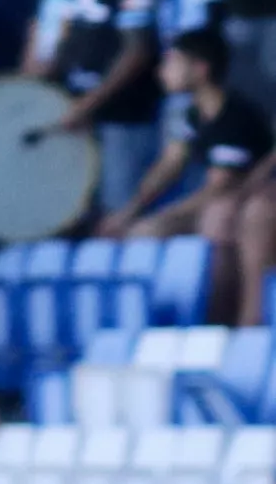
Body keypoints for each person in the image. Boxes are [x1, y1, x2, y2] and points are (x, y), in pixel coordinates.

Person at [28, 0, 167, 221]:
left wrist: (89, 104)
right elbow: (52, 38)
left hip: (122, 113)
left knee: (118, 216)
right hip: (69, 108)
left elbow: (138, 48)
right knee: (67, 215)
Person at [108, 26, 276, 327]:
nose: (162, 72)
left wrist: (166, 215)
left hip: (240, 204)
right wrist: (130, 211)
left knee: (218, 218)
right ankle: (152, 328)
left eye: (172, 62)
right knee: (141, 232)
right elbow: (169, 165)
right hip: (225, 201)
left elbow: (220, 188)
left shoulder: (234, 116)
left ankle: (231, 324)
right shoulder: (193, 115)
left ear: (200, 69)